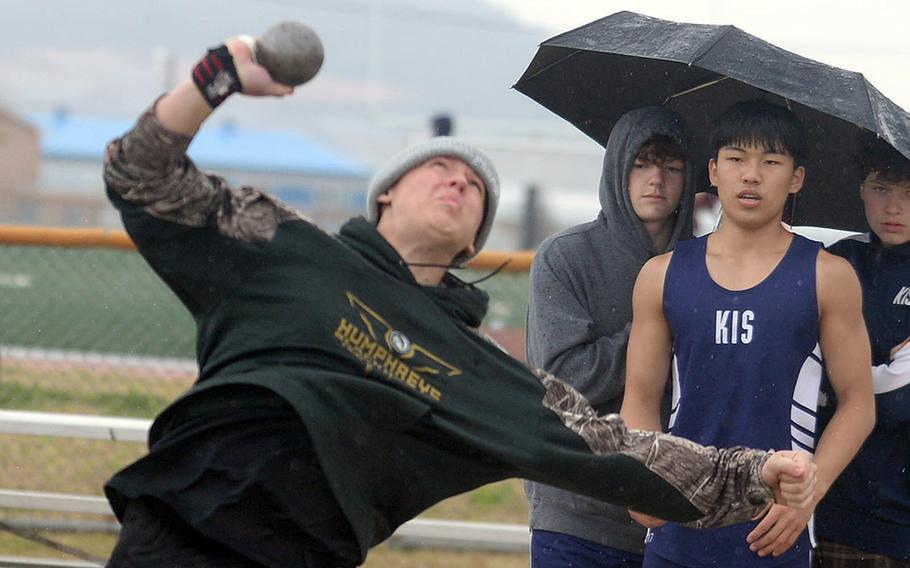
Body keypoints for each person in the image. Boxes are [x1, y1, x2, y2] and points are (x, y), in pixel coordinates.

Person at [102, 36, 818, 567]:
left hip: (304, 552)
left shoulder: (473, 371)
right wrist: (215, 76)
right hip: (174, 528)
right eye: (439, 169)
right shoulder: (286, 249)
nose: (458, 183)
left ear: (475, 237)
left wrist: (755, 473)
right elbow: (141, 174)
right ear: (386, 192)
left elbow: (621, 448)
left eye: (475, 189)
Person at [620, 99, 875, 568]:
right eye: (737, 159)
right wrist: (642, 476)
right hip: (680, 530)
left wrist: (807, 494)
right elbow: (640, 393)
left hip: (776, 535)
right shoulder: (661, 274)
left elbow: (859, 404)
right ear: (713, 171)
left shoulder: (827, 275)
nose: (751, 175)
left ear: (796, 177)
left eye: (771, 162)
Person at [525, 106, 694, 568]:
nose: (655, 178)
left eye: (671, 166)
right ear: (616, 166)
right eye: (640, 163)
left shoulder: (710, 266)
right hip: (577, 512)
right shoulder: (565, 258)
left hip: (679, 515)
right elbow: (561, 380)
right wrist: (659, 327)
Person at [814, 144, 910, 566]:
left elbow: (893, 405)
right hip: (832, 508)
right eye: (881, 188)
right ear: (860, 189)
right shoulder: (836, 262)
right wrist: (888, 372)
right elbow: (812, 381)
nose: (894, 207)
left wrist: (851, 379)